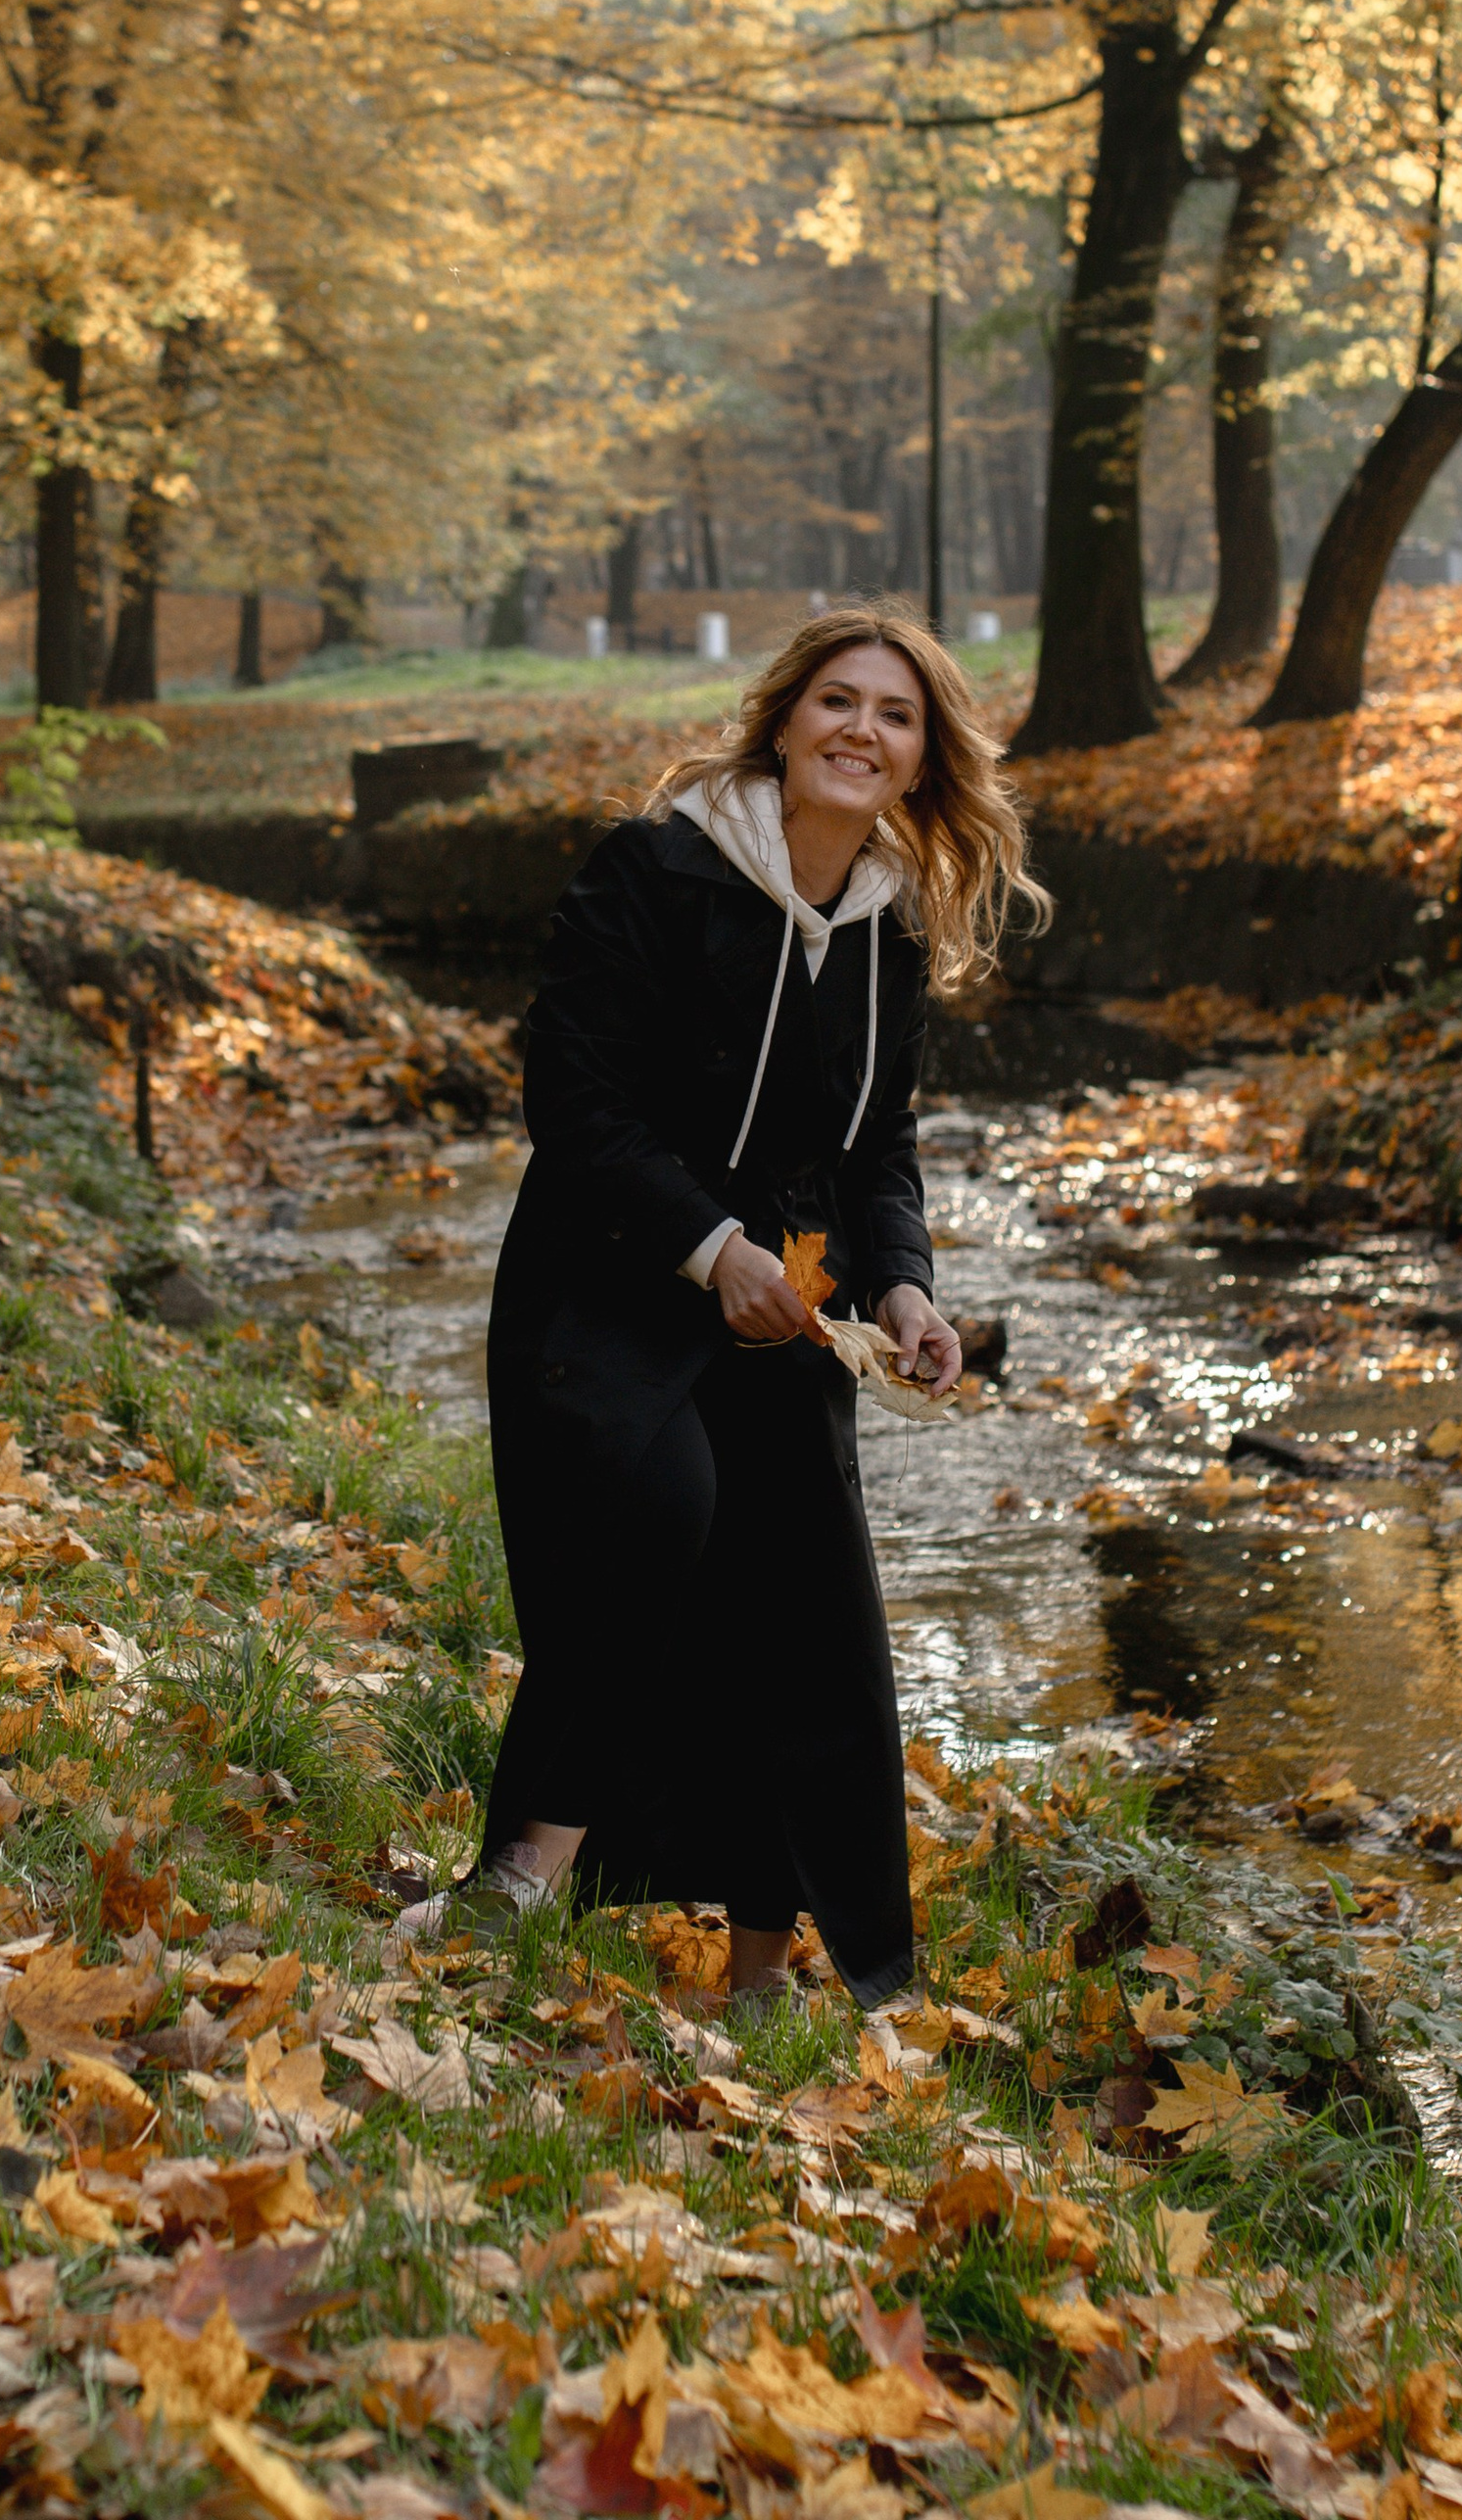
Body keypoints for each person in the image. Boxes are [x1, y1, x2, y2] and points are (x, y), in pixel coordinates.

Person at [442, 600, 1044, 2004]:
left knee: (801, 1599)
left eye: (896, 715)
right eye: (839, 699)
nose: (863, 730)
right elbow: (573, 1104)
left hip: (797, 1297)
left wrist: (903, 1286)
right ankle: (524, 1876)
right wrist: (714, 1250)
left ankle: (765, 1970)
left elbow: (873, 1146)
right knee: (661, 1512)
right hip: (611, 1276)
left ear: (921, 756)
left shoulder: (890, 924)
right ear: (783, 718)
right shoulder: (654, 869)